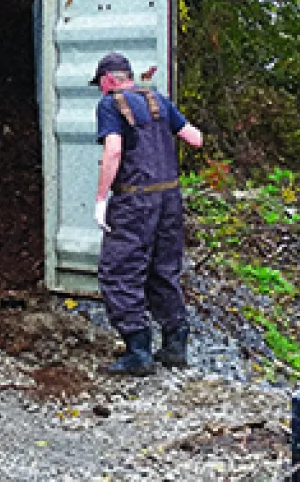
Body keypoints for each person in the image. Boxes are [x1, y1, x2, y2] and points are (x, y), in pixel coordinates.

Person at [92, 52, 203, 375]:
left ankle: (138, 352)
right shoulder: (158, 100)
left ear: (109, 80)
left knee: (118, 272)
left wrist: (101, 198)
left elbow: (113, 150)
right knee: (163, 270)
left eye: (101, 85)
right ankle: (174, 345)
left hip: (135, 202)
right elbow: (195, 139)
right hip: (169, 199)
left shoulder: (110, 104)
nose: (101, 91)